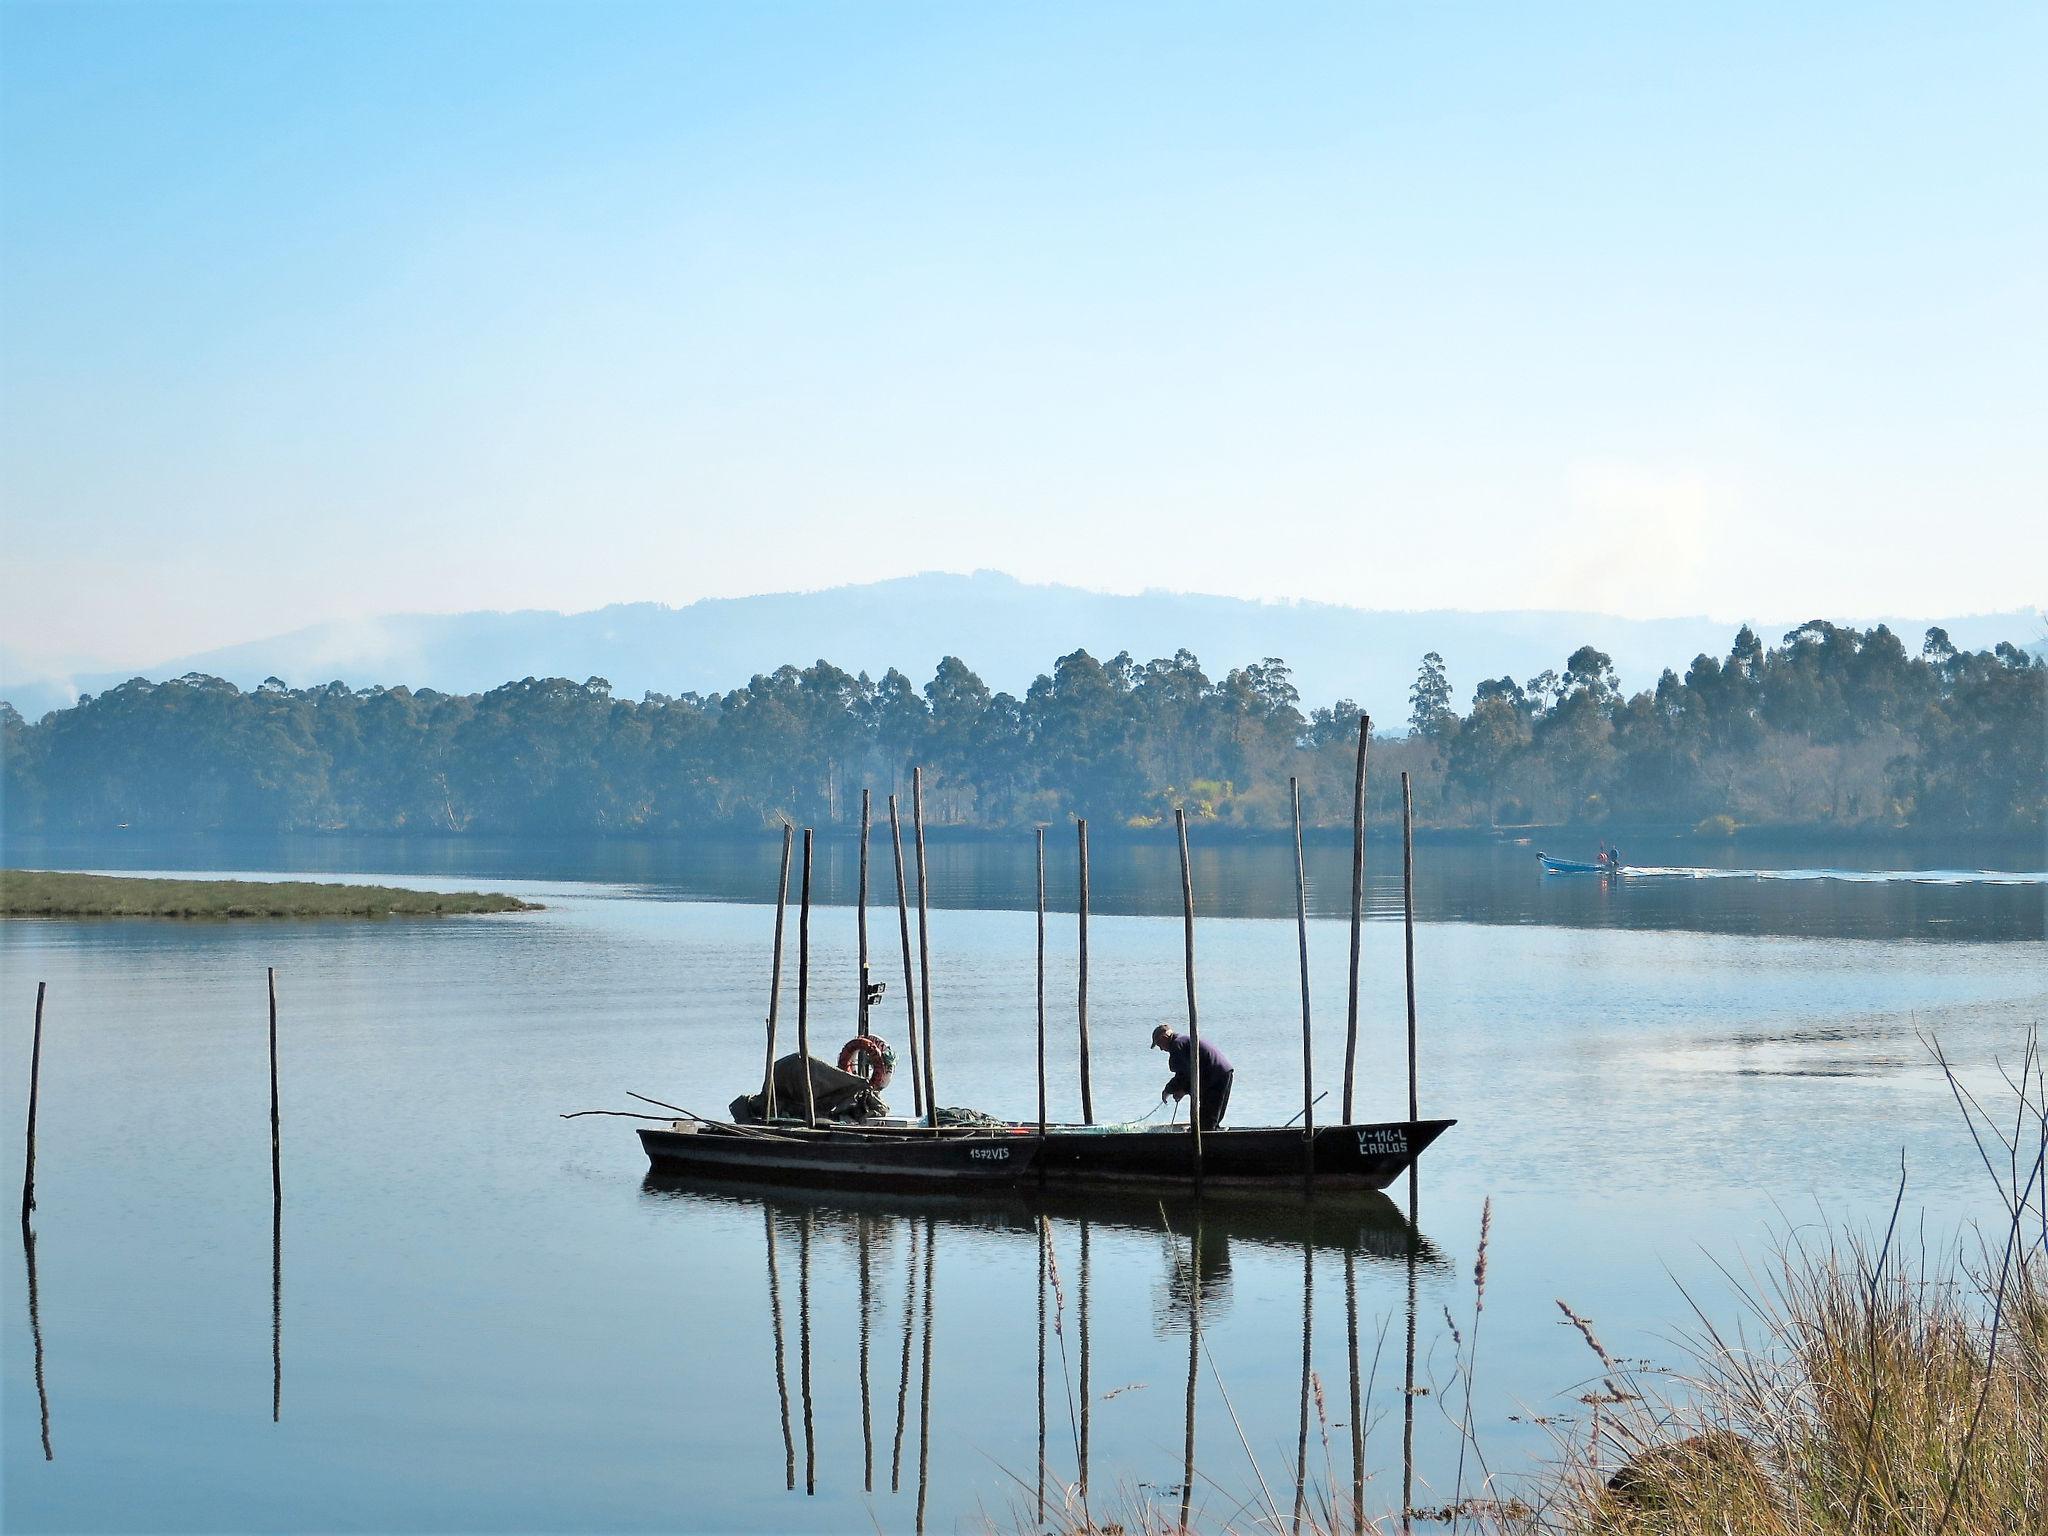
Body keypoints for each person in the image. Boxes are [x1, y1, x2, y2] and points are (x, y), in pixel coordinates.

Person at [1152, 1023, 1234, 1131]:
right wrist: (1176, 1089)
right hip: (1223, 1072)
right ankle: (1213, 1134)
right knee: (1211, 1118)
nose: (1161, 1049)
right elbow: (1185, 1073)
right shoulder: (1182, 1041)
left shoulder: (1177, 1045)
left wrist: (1174, 1090)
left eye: (1159, 1045)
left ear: (1164, 1038)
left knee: (1207, 1122)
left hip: (1215, 1076)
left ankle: (1207, 1141)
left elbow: (1184, 1075)